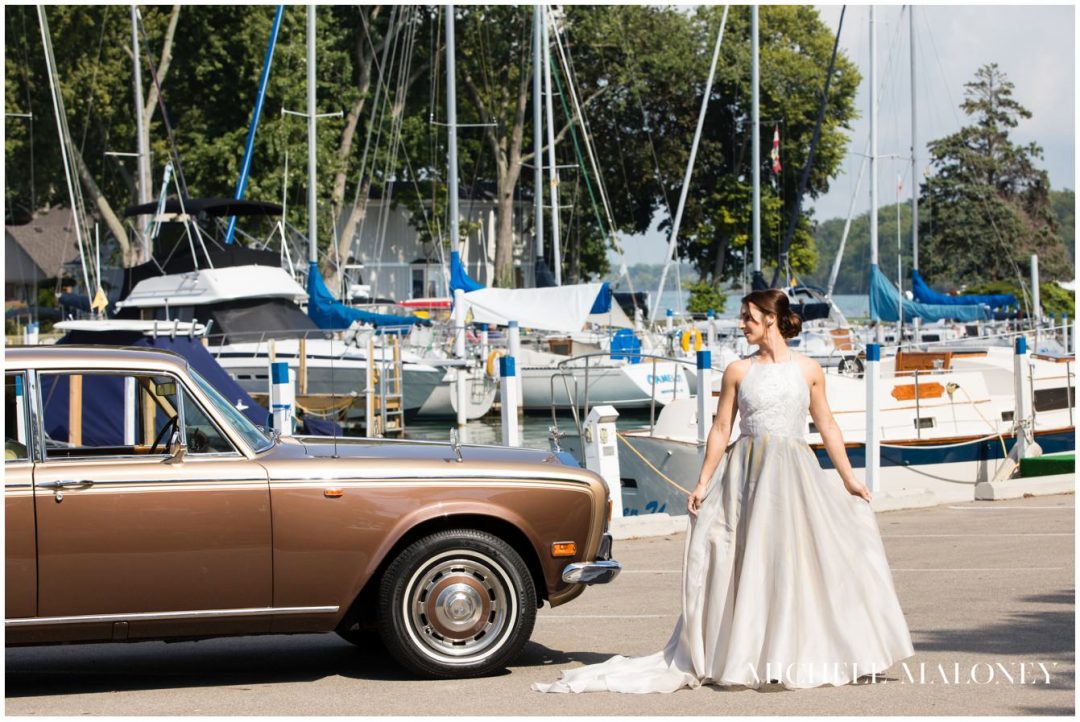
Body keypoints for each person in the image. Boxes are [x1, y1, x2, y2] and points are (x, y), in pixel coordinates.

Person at [533, 289, 914, 693]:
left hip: (795, 474)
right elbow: (720, 430)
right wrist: (702, 482)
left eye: (748, 317)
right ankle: (746, 652)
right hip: (746, 475)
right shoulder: (737, 370)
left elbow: (828, 426)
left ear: (770, 318)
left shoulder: (808, 369)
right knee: (747, 561)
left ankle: (794, 652)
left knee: (797, 561)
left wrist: (848, 478)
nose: (742, 324)